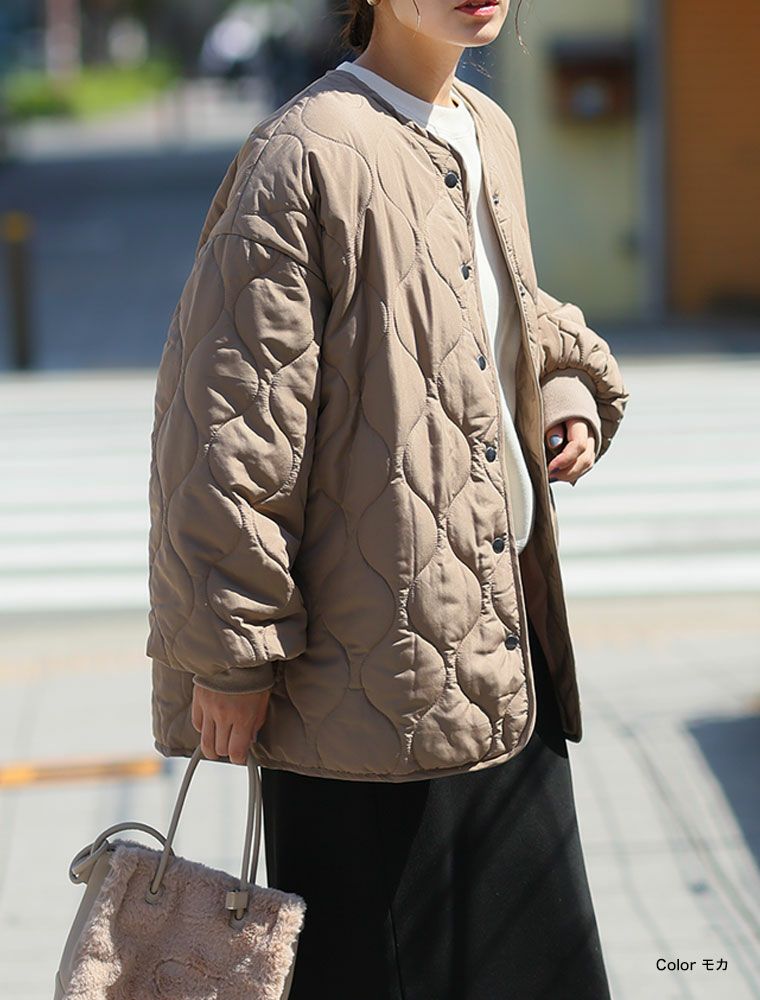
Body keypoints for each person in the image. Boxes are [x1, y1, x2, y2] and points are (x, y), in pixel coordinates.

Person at [145, 1, 630, 997]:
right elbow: (230, 429)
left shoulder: (484, 127)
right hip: (364, 690)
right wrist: (228, 656)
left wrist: (566, 385)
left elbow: (498, 313)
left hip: (500, 658)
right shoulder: (304, 153)